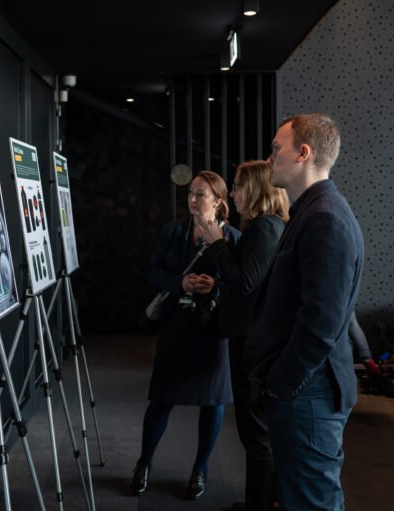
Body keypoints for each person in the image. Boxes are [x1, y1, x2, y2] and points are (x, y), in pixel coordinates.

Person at [244, 113, 365, 510]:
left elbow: (322, 323)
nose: (270, 157)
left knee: (311, 502)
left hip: (307, 392)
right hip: (306, 389)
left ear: (303, 153)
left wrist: (282, 384)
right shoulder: (313, 212)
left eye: (277, 148)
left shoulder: (324, 216)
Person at [131, 170, 241, 500]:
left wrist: (215, 286)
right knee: (161, 399)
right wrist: (180, 282)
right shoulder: (173, 231)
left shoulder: (233, 237)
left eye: (201, 194)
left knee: (213, 401)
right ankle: (144, 463)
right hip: (176, 325)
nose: (192, 199)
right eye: (191, 193)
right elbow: (153, 271)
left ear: (218, 201)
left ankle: (200, 468)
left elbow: (242, 282)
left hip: (214, 329)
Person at [195, 160, 289, 511]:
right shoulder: (261, 226)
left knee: (256, 433)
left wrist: (219, 243)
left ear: (255, 189)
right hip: (248, 336)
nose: (232, 193)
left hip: (251, 340)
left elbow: (246, 282)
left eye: (237, 186)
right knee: (255, 431)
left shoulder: (265, 227)